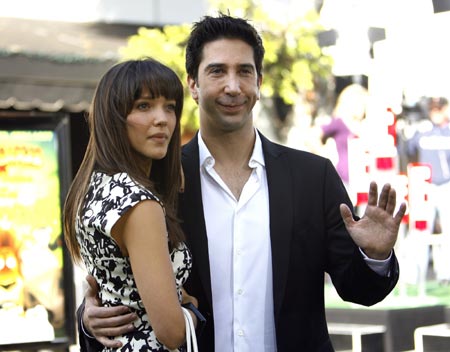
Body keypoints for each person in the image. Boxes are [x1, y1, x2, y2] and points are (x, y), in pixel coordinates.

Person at [78, 14, 406, 352]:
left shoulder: (313, 177)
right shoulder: (157, 183)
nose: (233, 86)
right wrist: (90, 319)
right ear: (193, 84)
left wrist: (375, 256)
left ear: (259, 83)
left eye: (244, 72)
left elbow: (358, 290)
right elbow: (120, 286)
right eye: (217, 71)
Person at [63, 58, 200, 351]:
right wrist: (193, 311)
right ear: (113, 117)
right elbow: (172, 332)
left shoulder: (94, 188)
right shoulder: (139, 203)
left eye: (170, 107)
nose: (162, 119)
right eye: (143, 106)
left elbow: (113, 288)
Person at [406, 96, 450, 283]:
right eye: (433, 109)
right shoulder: (422, 131)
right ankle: (417, 274)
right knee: (420, 230)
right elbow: (408, 150)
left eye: (439, 109)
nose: (436, 113)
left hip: (446, 185)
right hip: (424, 187)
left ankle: (446, 274)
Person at [311, 83, 369, 188]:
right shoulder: (340, 122)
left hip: (362, 178)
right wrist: (323, 156)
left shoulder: (364, 124)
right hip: (344, 179)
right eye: (361, 104)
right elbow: (313, 135)